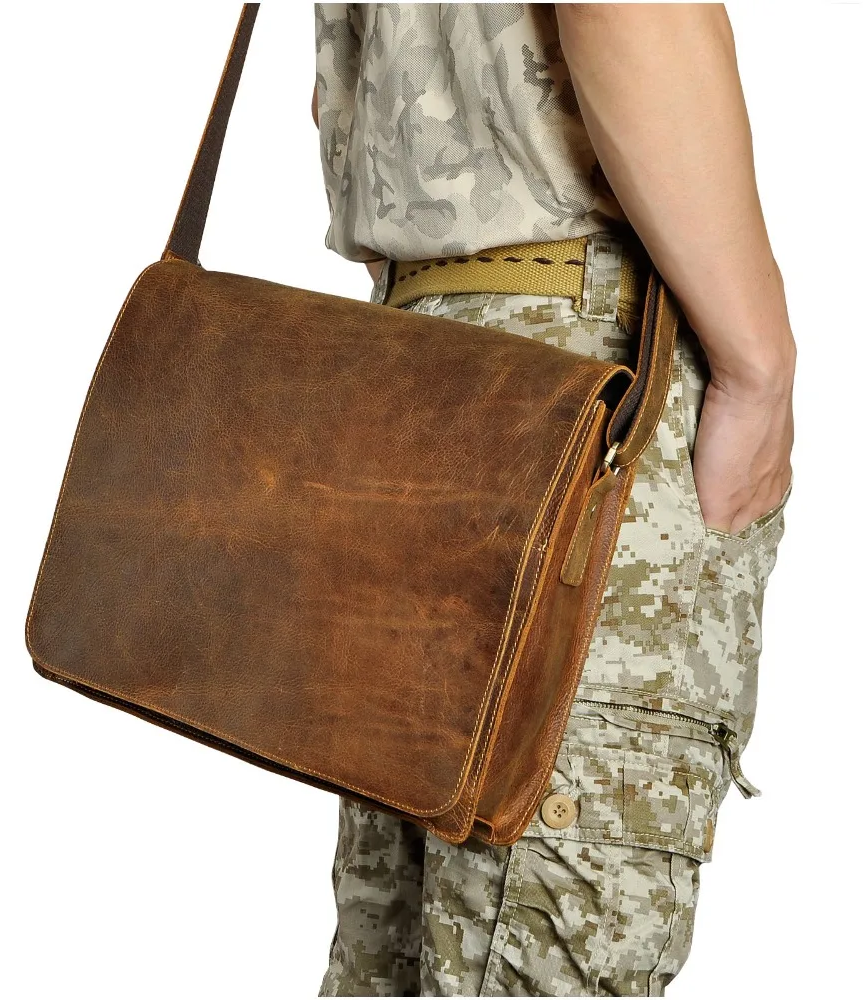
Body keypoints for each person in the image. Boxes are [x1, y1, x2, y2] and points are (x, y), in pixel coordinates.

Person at [312, 4, 795, 997]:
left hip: (410, 359)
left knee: (397, 955)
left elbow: (340, 96)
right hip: (582, 388)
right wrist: (760, 365)